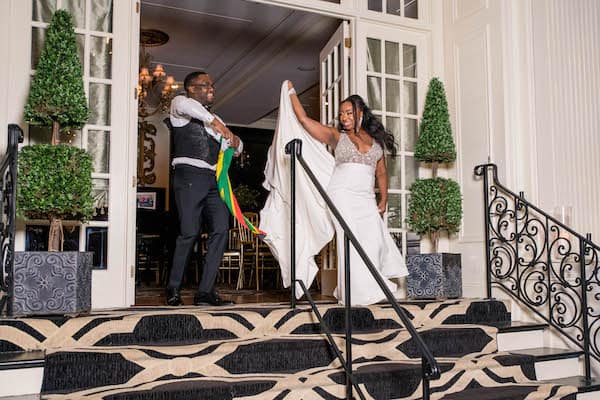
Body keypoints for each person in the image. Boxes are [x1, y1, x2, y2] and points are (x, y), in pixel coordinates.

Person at [286, 81, 408, 305]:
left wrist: (384, 198)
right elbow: (304, 120)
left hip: (365, 197)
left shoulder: (375, 141)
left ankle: (366, 288)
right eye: (341, 113)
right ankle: (357, 295)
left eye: (349, 112)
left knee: (374, 240)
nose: (344, 117)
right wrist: (291, 91)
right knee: (350, 241)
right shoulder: (336, 136)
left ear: (360, 113)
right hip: (341, 195)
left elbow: (381, 172)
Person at [165, 71, 243, 307]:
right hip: (189, 175)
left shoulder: (213, 117)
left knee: (221, 228)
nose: (212, 88)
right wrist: (216, 123)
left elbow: (233, 146)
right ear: (190, 88)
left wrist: (237, 143)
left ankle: (205, 292)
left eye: (212, 84)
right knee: (189, 232)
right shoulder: (180, 105)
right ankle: (173, 287)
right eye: (205, 85)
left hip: (213, 179)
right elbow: (191, 108)